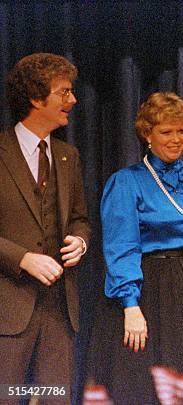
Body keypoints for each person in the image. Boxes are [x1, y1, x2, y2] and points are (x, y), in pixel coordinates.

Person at [93, 92, 183, 404]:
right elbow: (121, 246)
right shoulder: (126, 182)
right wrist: (130, 306)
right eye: (166, 132)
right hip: (150, 288)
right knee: (150, 380)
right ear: (147, 134)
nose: (176, 139)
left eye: (181, 131)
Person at [0, 53, 90, 403]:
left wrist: (80, 242)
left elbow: (80, 218)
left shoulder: (68, 156)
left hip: (58, 314)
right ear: (37, 99)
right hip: (7, 313)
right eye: (64, 92)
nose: (73, 100)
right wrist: (22, 258)